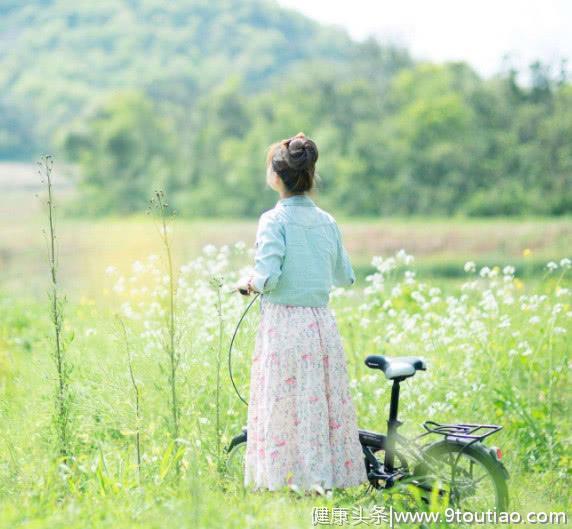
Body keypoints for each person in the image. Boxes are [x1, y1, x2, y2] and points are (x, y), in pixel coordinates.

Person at [236, 132, 368, 494]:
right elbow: (345, 276)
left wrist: (248, 281)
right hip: (320, 325)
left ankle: (285, 481)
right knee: (317, 404)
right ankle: (321, 479)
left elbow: (267, 278)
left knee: (284, 402)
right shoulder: (327, 221)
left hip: (285, 325)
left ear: (277, 177)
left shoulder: (273, 220)